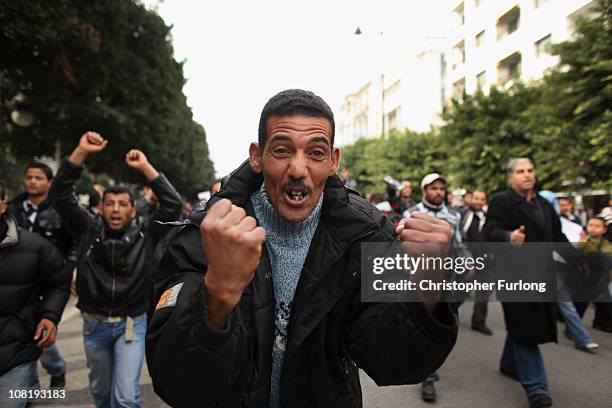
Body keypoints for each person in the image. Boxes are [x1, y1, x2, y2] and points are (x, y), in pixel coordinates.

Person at [146, 89, 458, 408]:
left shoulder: (365, 235)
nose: (298, 169)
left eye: (316, 153)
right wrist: (218, 292)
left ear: (333, 161)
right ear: (257, 155)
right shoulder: (207, 234)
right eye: (282, 151)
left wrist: (429, 290)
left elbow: (392, 360)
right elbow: (178, 384)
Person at [49, 132, 182, 408]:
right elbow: (60, 194)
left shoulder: (147, 232)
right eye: (109, 203)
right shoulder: (87, 227)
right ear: (101, 208)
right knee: (101, 393)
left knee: (124, 397)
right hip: (94, 325)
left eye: (123, 204)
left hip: (132, 325)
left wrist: (146, 168)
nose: (115, 209)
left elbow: (172, 204)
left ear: (134, 210)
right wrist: (81, 151)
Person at [483, 158, 570, 408]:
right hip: (513, 276)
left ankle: (509, 363)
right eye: (521, 171)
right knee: (526, 328)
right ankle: (537, 388)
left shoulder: (544, 204)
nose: (527, 175)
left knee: (524, 325)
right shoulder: (501, 201)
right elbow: (489, 231)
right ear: (511, 177)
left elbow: (558, 235)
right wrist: (508, 236)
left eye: (530, 170)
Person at [0, 181, 70, 408]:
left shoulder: (36, 246)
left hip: (18, 347)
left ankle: (54, 377)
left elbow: (58, 284)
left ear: (3, 205)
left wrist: (50, 316)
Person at [7, 162, 77, 388]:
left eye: (38, 177)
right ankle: (29, 386)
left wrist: (68, 271)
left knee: (41, 325)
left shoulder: (61, 209)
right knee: (24, 328)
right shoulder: (13, 206)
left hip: (49, 278)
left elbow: (74, 243)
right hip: (19, 277)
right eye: (29, 177)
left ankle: (55, 368)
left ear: (49, 182)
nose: (33, 181)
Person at [404, 173, 467, 403]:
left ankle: (429, 362)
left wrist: (467, 261)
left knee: (442, 322)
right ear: (424, 191)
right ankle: (427, 378)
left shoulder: (454, 215)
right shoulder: (412, 214)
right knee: (425, 324)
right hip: (421, 279)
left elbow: (459, 242)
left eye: (441, 188)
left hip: (448, 277)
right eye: (433, 188)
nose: (438, 192)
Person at [459, 189, 494, 335]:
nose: (479, 202)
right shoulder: (463, 215)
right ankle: (444, 313)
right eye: (476, 198)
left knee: (484, 292)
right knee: (461, 290)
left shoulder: (488, 218)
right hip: (469, 261)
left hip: (486, 260)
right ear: (470, 199)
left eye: (482, 199)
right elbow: (459, 237)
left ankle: (478, 322)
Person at [574, 216, 612, 333]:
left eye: (597, 226)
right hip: (586, 280)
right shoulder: (583, 242)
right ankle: (573, 327)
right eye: (591, 225)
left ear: (604, 229)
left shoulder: (608, 246)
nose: (593, 228)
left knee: (605, 305)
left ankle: (601, 323)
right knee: (580, 305)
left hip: (602, 279)